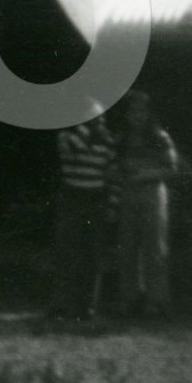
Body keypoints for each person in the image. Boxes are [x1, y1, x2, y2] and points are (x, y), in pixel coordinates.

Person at [49, 102, 120, 319]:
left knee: (93, 255)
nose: (101, 124)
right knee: (68, 253)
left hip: (95, 200)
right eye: (95, 119)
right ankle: (62, 304)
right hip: (73, 198)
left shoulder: (107, 144)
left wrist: (113, 205)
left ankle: (88, 306)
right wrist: (86, 129)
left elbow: (114, 177)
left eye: (101, 119)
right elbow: (76, 149)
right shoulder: (67, 137)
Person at [114, 91, 178, 317]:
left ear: (149, 114)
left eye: (142, 111)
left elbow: (171, 168)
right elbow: (114, 166)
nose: (138, 116)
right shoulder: (121, 139)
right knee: (127, 246)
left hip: (152, 193)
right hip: (128, 194)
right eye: (133, 112)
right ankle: (129, 299)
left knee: (154, 248)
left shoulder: (159, 137)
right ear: (127, 115)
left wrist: (145, 175)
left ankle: (157, 301)